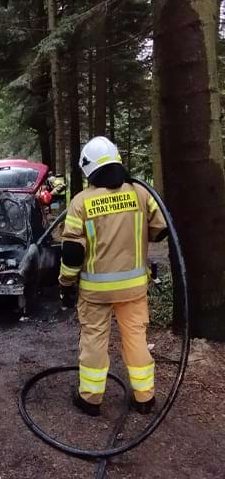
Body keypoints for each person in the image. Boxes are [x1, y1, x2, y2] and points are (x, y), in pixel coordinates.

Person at [58, 136, 167, 416]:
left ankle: (91, 400)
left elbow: (71, 253)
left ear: (89, 169)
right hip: (134, 289)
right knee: (136, 338)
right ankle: (145, 398)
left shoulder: (81, 202)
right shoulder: (141, 194)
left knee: (94, 340)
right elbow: (160, 230)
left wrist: (66, 285)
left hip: (96, 292)